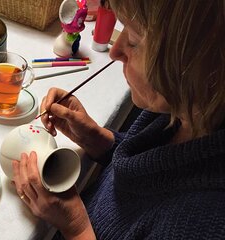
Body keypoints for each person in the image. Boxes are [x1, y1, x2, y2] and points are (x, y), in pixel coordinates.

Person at [12, 0, 225, 239]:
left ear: (195, 63)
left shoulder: (203, 223)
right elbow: (148, 174)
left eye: (133, 39)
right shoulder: (184, 111)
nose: (115, 50)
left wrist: (75, 226)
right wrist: (97, 139)